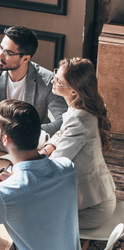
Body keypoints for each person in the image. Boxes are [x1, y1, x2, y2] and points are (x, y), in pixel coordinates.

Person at [0, 99, 80, 250]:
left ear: (6, 139)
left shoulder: (3, 194)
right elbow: (38, 190)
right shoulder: (67, 167)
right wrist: (14, 179)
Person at [40, 57, 116, 229]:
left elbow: (55, 165)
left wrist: (28, 166)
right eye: (55, 74)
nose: (52, 80)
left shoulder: (79, 120)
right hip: (98, 196)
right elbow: (62, 132)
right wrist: (46, 149)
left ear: (73, 91)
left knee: (33, 214)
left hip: (91, 209)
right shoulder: (79, 107)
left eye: (58, 81)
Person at [0, 26, 67, 136]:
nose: (0, 55)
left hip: (29, 142)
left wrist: (27, 132)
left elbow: (64, 121)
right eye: (0, 48)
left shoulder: (47, 81)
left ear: (26, 58)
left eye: (8, 53)